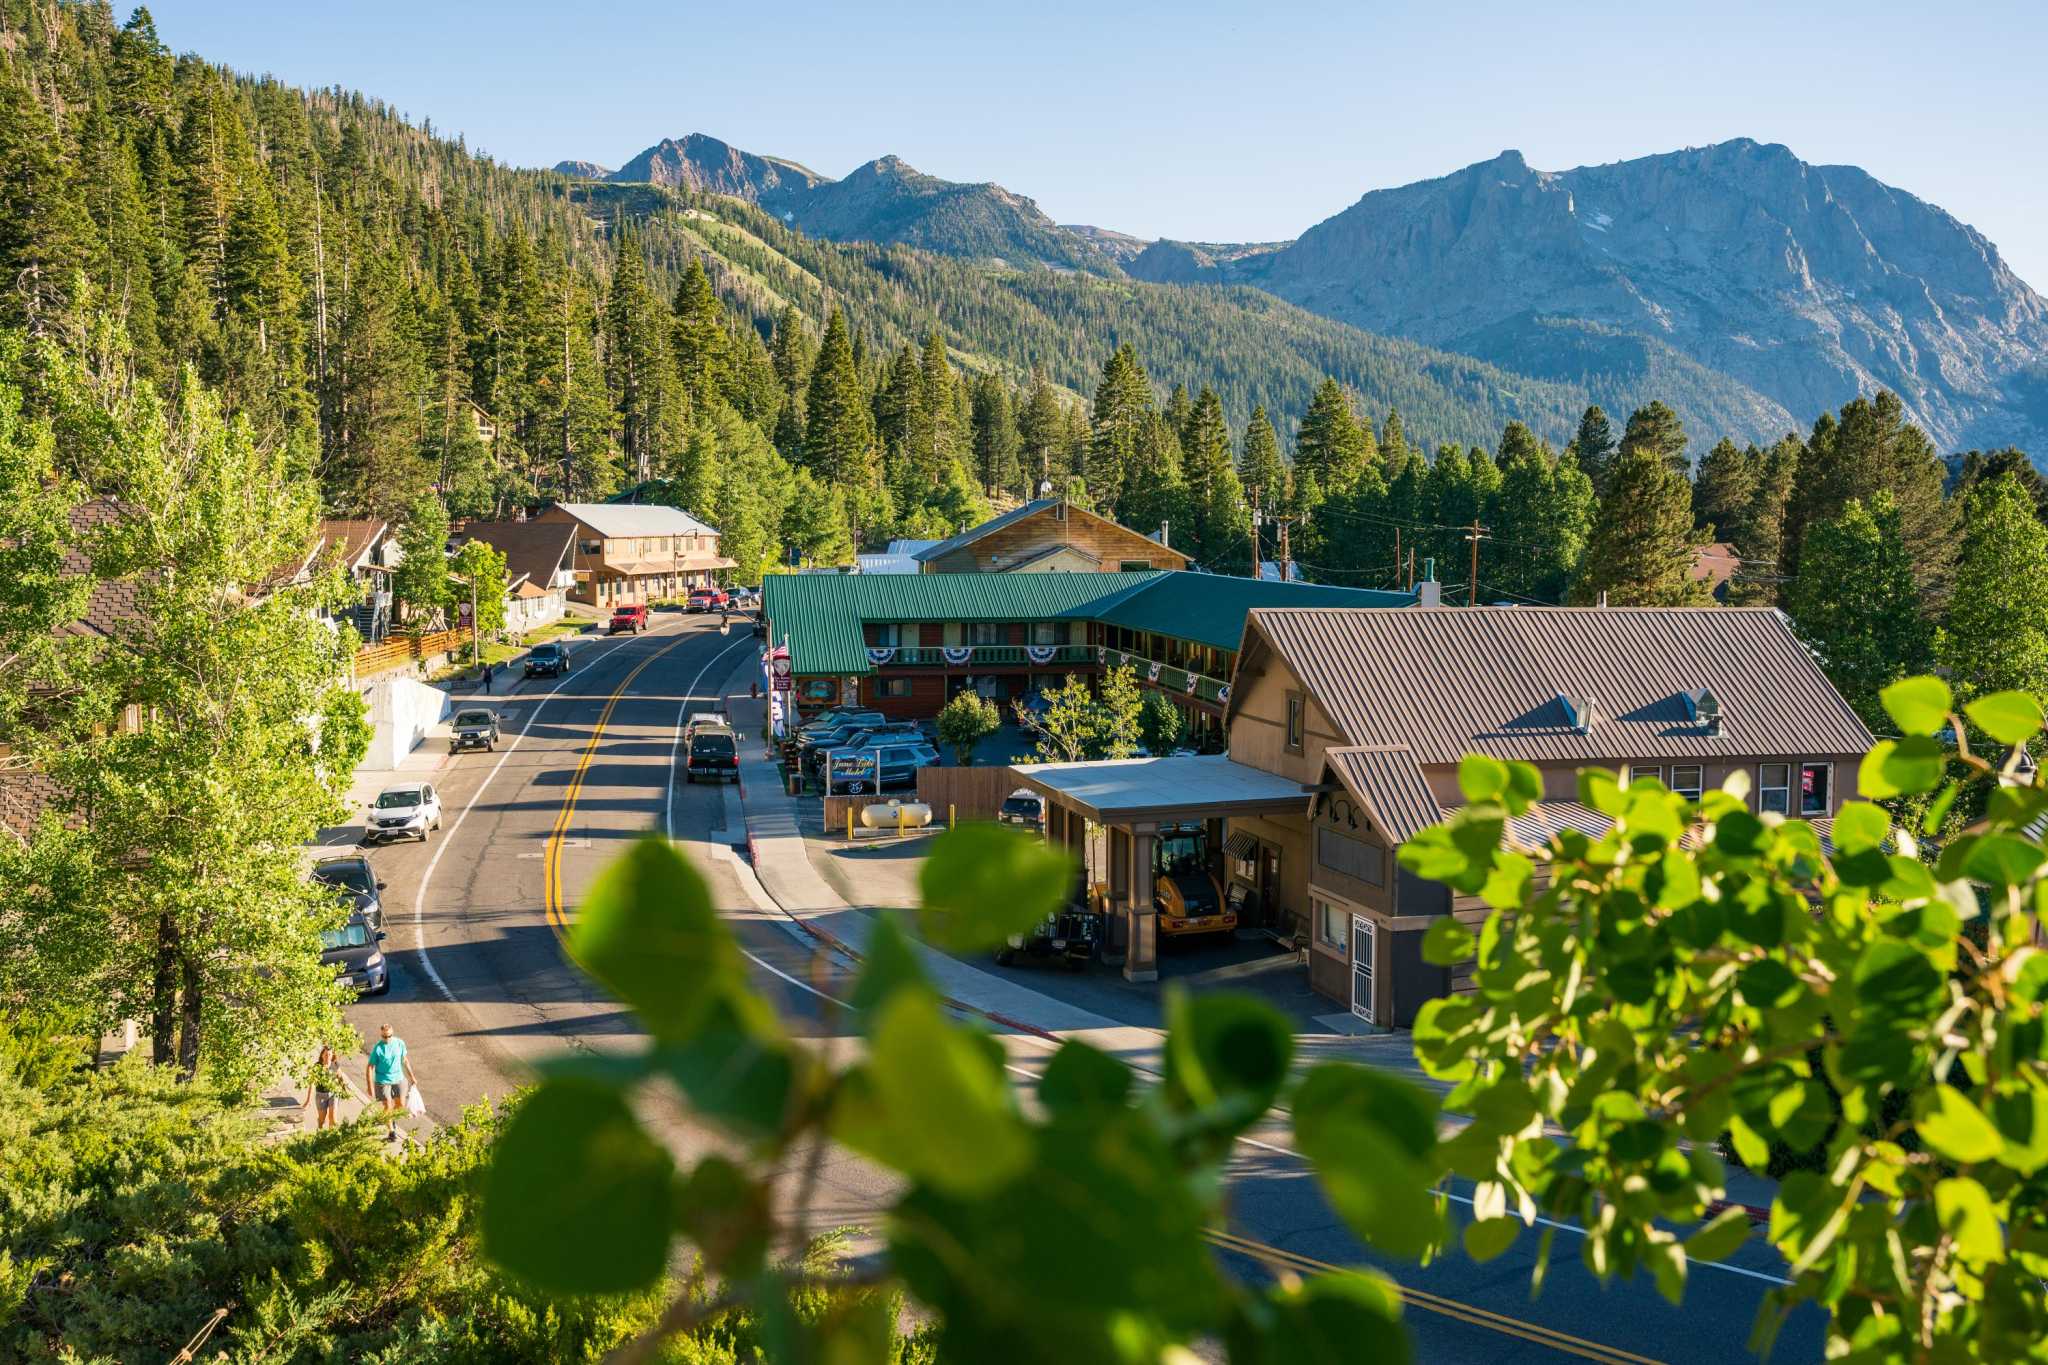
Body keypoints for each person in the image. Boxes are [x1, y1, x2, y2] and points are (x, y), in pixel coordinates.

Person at [364, 1023, 417, 1143]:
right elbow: (369, 1067)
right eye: (385, 1037)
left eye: (389, 1036)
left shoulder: (399, 1043)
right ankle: (391, 1132)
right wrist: (369, 1086)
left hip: (398, 1078)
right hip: (383, 1081)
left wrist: (412, 1077)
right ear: (381, 1035)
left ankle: (390, 1118)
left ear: (392, 1033)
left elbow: (405, 1060)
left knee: (401, 1106)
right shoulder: (378, 1048)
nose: (387, 1039)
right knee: (387, 1106)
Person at [302, 1043, 345, 1130]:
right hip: (321, 1095)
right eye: (325, 1054)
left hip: (334, 1094)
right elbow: (312, 1083)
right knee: (322, 1119)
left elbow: (340, 1077)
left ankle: (331, 1138)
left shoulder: (335, 1064)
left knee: (333, 1118)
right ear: (321, 1055)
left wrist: (343, 1090)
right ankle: (320, 1128)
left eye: (329, 1054)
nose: (327, 1056)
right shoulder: (317, 1067)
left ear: (332, 1055)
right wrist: (308, 1101)